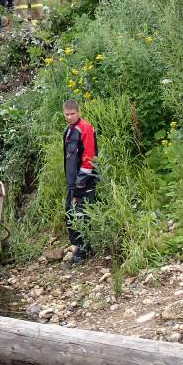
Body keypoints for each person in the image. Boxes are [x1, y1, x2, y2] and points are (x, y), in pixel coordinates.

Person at [63, 99, 98, 265]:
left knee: (82, 214)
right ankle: (78, 246)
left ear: (78, 112)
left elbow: (89, 157)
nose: (70, 117)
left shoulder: (85, 128)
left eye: (72, 113)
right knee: (70, 212)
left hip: (84, 182)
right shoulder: (68, 131)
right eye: (67, 114)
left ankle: (84, 250)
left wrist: (81, 182)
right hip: (72, 182)